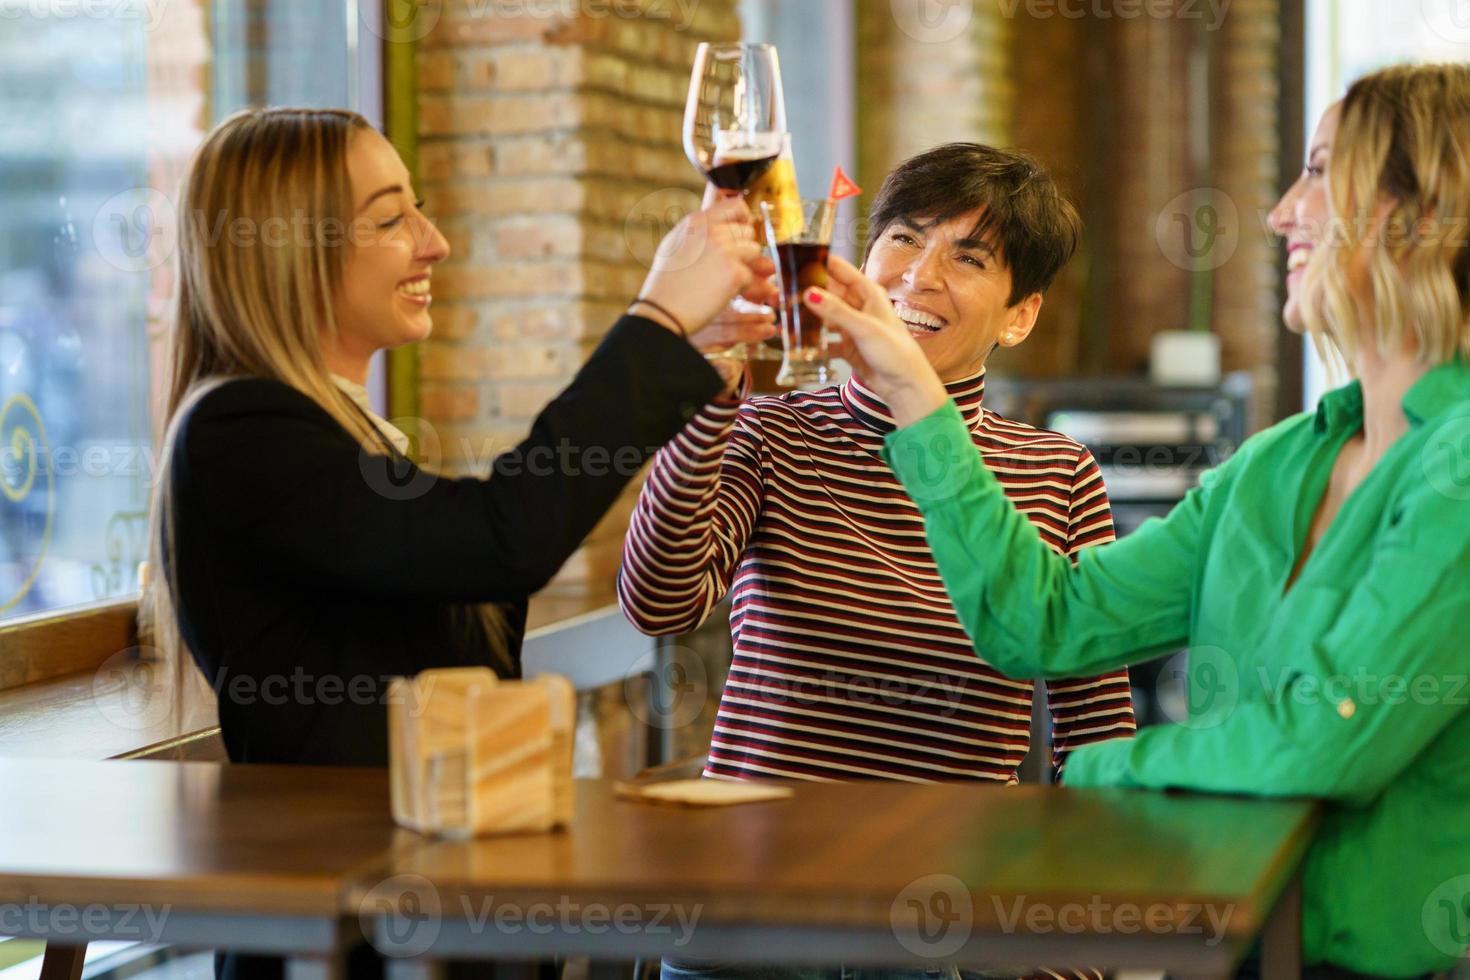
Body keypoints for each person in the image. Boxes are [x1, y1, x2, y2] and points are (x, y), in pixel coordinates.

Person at [813, 63, 1470, 978]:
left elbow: (1326, 739)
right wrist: (919, 401)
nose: (1282, 212)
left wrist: (1095, 777)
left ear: (1421, 212)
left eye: (1319, 170)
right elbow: (1043, 619)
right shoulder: (1278, 464)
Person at [143, 106, 773, 980]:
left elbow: (476, 564)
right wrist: (656, 318)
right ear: (290, 247)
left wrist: (684, 350)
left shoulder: (341, 432)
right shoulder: (241, 431)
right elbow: (500, 539)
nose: (434, 243)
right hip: (346, 943)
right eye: (393, 217)